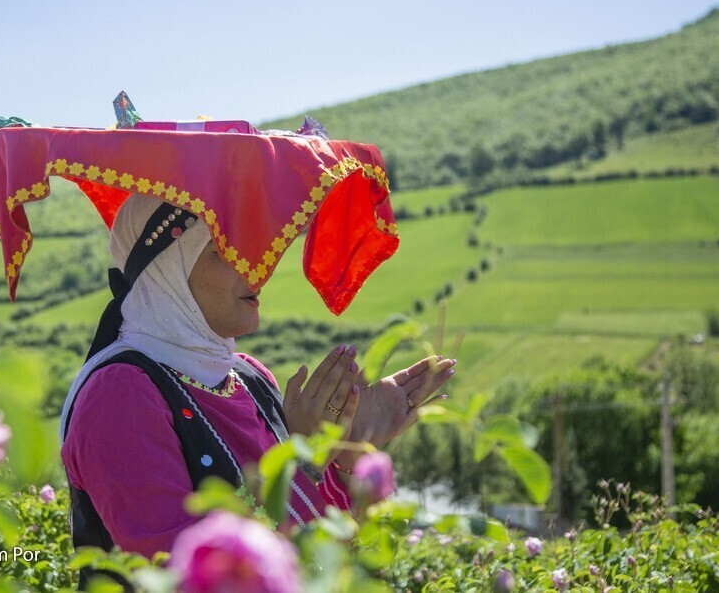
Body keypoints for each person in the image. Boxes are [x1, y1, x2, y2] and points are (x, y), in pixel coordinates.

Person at [59, 193, 457, 564]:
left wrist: (346, 454)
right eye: (222, 252)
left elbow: (318, 560)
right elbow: (182, 571)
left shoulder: (249, 377)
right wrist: (304, 461)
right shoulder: (119, 397)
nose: (254, 267)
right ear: (167, 272)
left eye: (249, 248)